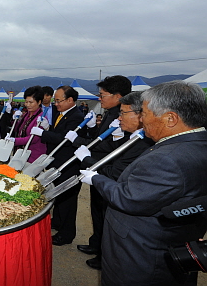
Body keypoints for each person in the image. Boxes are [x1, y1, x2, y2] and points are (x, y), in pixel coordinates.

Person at [80, 81, 207, 285]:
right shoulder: (196, 144)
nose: (142, 120)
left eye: (145, 114)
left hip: (142, 258)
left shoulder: (168, 157)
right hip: (174, 245)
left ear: (170, 118)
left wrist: (96, 178)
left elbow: (128, 197)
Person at [66, 75, 132, 269]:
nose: (99, 98)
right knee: (96, 210)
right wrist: (92, 128)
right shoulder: (110, 113)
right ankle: (96, 244)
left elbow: (106, 146)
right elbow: (97, 139)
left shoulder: (121, 116)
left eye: (102, 95)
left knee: (104, 213)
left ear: (118, 96)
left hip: (107, 168)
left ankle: (104, 255)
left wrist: (78, 142)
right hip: (98, 166)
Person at [30, 86, 85, 246]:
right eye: (55, 100)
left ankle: (66, 234)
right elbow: (59, 132)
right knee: (59, 194)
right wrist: (49, 128)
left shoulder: (76, 117)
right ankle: (58, 222)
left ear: (70, 100)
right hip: (58, 162)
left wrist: (44, 133)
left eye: (59, 100)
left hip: (69, 164)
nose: (55, 104)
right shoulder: (62, 114)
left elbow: (64, 139)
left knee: (68, 199)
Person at [5, 86, 48, 163]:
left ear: (39, 102)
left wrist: (14, 140)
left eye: (31, 102)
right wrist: (14, 120)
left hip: (33, 156)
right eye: (26, 102)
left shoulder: (42, 118)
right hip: (20, 153)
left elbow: (33, 138)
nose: (28, 105)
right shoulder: (26, 114)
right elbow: (17, 129)